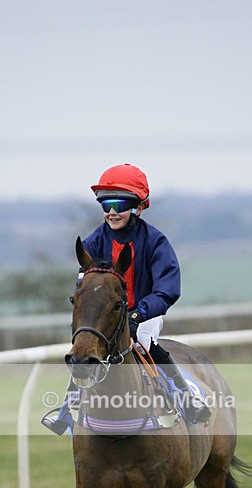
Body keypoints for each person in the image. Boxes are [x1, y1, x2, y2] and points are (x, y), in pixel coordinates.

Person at [43, 163, 209, 434]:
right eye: (105, 204)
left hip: (144, 314)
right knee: (84, 349)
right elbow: (84, 286)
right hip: (107, 317)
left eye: (119, 204)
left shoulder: (155, 242)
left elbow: (168, 289)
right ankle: (68, 409)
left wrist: (139, 313)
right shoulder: (93, 242)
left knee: (143, 342)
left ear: (138, 207)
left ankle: (187, 398)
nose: (111, 211)